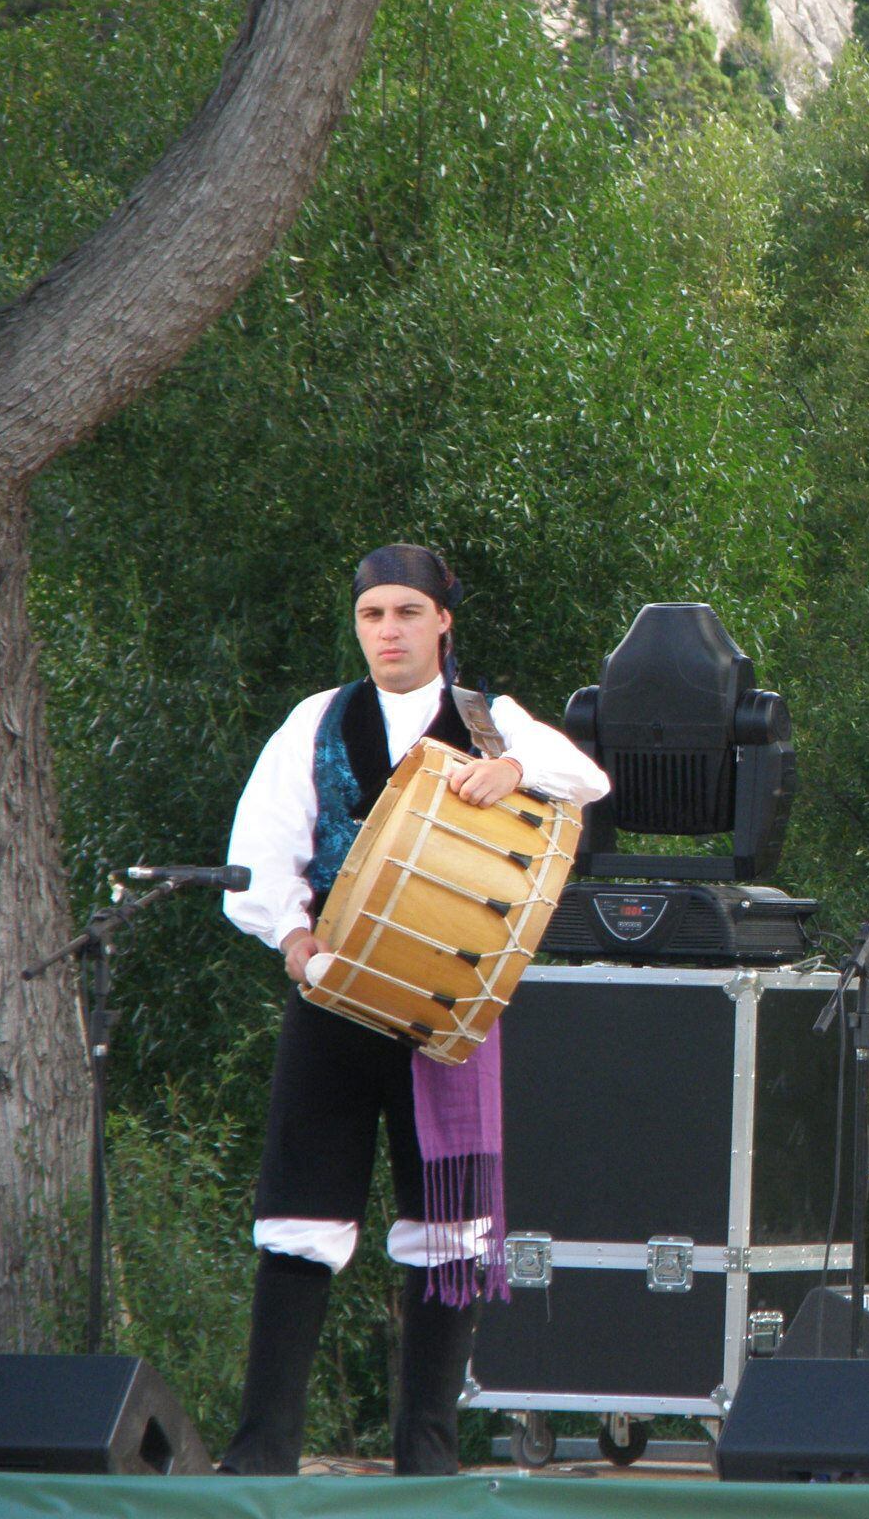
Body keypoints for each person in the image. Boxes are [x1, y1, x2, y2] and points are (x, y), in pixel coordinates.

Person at [218, 544, 610, 1474]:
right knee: (299, 1222)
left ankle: (427, 1457)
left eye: (405, 613)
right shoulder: (316, 720)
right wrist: (293, 940)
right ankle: (263, 1450)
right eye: (372, 616)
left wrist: (511, 772)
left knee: (446, 1233)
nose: (387, 631)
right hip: (335, 996)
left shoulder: (490, 719)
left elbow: (584, 778)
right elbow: (260, 853)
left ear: (443, 622)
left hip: (445, 1006)